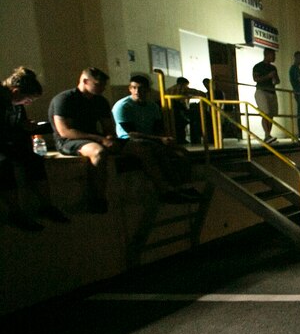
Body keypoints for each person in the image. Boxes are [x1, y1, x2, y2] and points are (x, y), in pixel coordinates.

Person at [50, 67, 198, 210]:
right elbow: (65, 131)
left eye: (103, 85)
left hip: (95, 137)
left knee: (143, 149)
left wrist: (109, 137)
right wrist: (100, 139)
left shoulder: (100, 101)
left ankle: (165, 190)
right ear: (85, 81)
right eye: (98, 84)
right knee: (98, 153)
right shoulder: (65, 99)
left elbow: (108, 127)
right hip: (69, 140)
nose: (102, 88)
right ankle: (98, 198)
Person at [1, 66, 69, 230]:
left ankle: (46, 205)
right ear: (16, 92)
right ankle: (15, 212)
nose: (28, 103)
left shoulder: (16, 104)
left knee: (34, 161)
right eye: (28, 100)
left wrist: (25, 126)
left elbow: (16, 126)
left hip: (8, 142)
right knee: (4, 166)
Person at [112, 74, 196, 195]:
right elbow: (131, 133)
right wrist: (160, 139)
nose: (137, 91)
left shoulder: (152, 106)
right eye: (134, 88)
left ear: (147, 90)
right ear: (130, 89)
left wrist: (167, 139)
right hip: (128, 140)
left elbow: (158, 128)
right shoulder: (123, 106)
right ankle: (167, 188)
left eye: (141, 88)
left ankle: (185, 185)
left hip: (151, 138)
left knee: (182, 153)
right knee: (156, 152)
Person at [251, 48, 280, 143]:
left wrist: (274, 79)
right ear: (267, 55)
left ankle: (268, 135)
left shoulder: (273, 68)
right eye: (273, 55)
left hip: (272, 91)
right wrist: (268, 76)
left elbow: (277, 80)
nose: (274, 57)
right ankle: (267, 135)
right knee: (265, 113)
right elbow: (256, 79)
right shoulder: (258, 66)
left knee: (271, 114)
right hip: (262, 91)